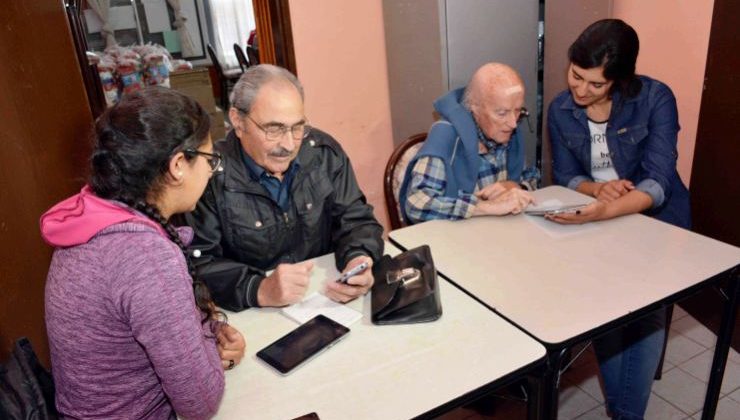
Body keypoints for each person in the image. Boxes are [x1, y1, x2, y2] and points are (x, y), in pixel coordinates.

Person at [41, 87, 246, 419]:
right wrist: (208, 347)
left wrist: (205, 335)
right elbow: (200, 403)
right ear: (179, 164)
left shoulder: (93, 219)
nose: (211, 172)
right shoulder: (145, 257)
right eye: (210, 161)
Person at [547, 19, 690, 419]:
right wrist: (597, 191)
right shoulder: (560, 110)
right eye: (576, 75)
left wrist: (606, 208)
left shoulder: (656, 98)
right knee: (606, 310)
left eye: (596, 84)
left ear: (620, 80)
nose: (580, 89)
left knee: (647, 308)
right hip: (602, 220)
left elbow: (659, 182)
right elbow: (565, 175)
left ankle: (625, 414)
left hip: (659, 222)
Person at [185, 64, 384, 311]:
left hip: (324, 300)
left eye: (297, 127)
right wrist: (258, 288)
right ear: (238, 121)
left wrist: (359, 258)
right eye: (274, 128)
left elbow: (356, 219)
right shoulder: (208, 176)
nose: (289, 145)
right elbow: (198, 264)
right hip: (250, 315)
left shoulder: (323, 154)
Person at [399, 62, 539, 225]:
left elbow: (532, 178)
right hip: (453, 240)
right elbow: (417, 204)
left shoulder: (507, 129)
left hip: (496, 233)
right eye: (502, 113)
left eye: (518, 111)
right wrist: (485, 207)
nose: (513, 123)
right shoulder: (446, 137)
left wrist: (514, 186)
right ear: (475, 108)